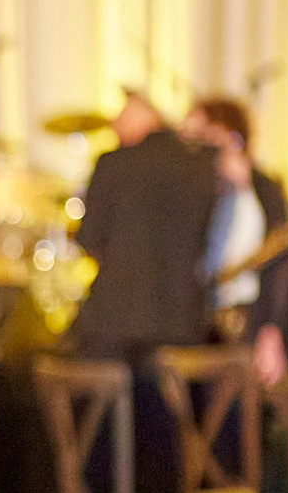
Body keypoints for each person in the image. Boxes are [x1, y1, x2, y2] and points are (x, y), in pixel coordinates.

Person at [70, 90, 221, 362]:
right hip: (184, 322)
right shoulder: (203, 165)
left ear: (144, 118)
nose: (115, 127)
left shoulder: (112, 163)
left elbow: (90, 240)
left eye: (121, 118)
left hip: (114, 320)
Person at [182, 96, 288, 388]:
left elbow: (279, 264)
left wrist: (271, 330)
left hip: (245, 318)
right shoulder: (197, 188)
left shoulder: (262, 189)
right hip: (197, 320)